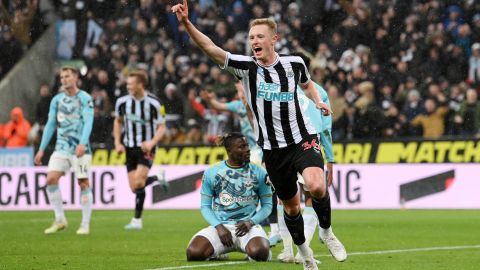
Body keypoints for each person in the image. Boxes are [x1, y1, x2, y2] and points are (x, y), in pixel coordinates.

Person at [172, 2, 332, 269]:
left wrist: (318, 101)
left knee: (316, 186)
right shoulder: (246, 67)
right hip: (272, 149)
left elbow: (307, 83)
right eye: (251, 38)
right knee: (291, 208)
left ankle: (326, 231)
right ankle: (304, 255)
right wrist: (187, 23)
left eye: (259, 36)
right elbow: (211, 48)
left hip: (301, 139)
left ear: (274, 39)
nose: (254, 41)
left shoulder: (294, 63)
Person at [276, 52, 347, 263]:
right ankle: (294, 250)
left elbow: (325, 128)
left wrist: (330, 159)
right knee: (294, 198)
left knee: (302, 195)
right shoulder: (285, 87)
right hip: (287, 147)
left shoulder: (314, 92)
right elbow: (326, 130)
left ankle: (296, 249)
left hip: (304, 146)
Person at [200, 83, 281, 246]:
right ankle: (268, 226)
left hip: (265, 148)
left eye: (241, 88)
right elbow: (218, 106)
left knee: (267, 184)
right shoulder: (238, 105)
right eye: (237, 88)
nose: (239, 91)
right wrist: (210, 100)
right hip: (249, 150)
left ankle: (273, 228)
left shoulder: (262, 103)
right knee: (259, 185)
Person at [186, 133, 272, 262]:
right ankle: (217, 252)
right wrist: (219, 227)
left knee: (260, 253)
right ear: (229, 151)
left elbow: (267, 206)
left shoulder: (259, 172)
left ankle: (257, 251)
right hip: (221, 228)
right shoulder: (212, 172)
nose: (247, 149)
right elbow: (205, 206)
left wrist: (251, 222)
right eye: (241, 147)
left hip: (248, 227)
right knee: (194, 253)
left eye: (247, 145)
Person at [34, 66, 94, 235]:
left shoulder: (85, 98)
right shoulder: (57, 100)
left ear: (75, 77)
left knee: (83, 183)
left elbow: (89, 122)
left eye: (67, 76)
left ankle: (85, 224)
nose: (64, 80)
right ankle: (60, 220)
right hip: (61, 147)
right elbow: (51, 124)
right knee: (51, 179)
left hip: (80, 149)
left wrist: (82, 143)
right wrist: (41, 149)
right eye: (62, 77)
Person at [113, 70, 168, 230]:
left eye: (131, 84)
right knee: (134, 187)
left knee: (138, 182)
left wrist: (152, 142)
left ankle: (137, 221)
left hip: (146, 148)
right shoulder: (122, 102)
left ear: (141, 85)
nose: (128, 86)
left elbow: (162, 126)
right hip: (129, 147)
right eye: (127, 83)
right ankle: (157, 177)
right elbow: (118, 122)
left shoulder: (155, 103)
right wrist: (117, 142)